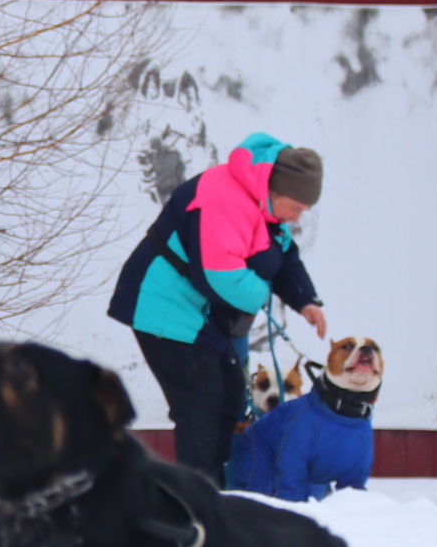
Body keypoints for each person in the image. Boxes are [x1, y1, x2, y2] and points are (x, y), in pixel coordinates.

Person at [106, 133, 327, 486]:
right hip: (166, 309)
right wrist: (263, 294)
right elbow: (219, 276)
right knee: (200, 405)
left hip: (204, 315)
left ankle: (213, 491)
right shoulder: (224, 197)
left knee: (228, 401)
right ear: (275, 188)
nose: (296, 218)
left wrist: (305, 300)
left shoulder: (266, 207)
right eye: (297, 208)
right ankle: (198, 498)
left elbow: (283, 254)